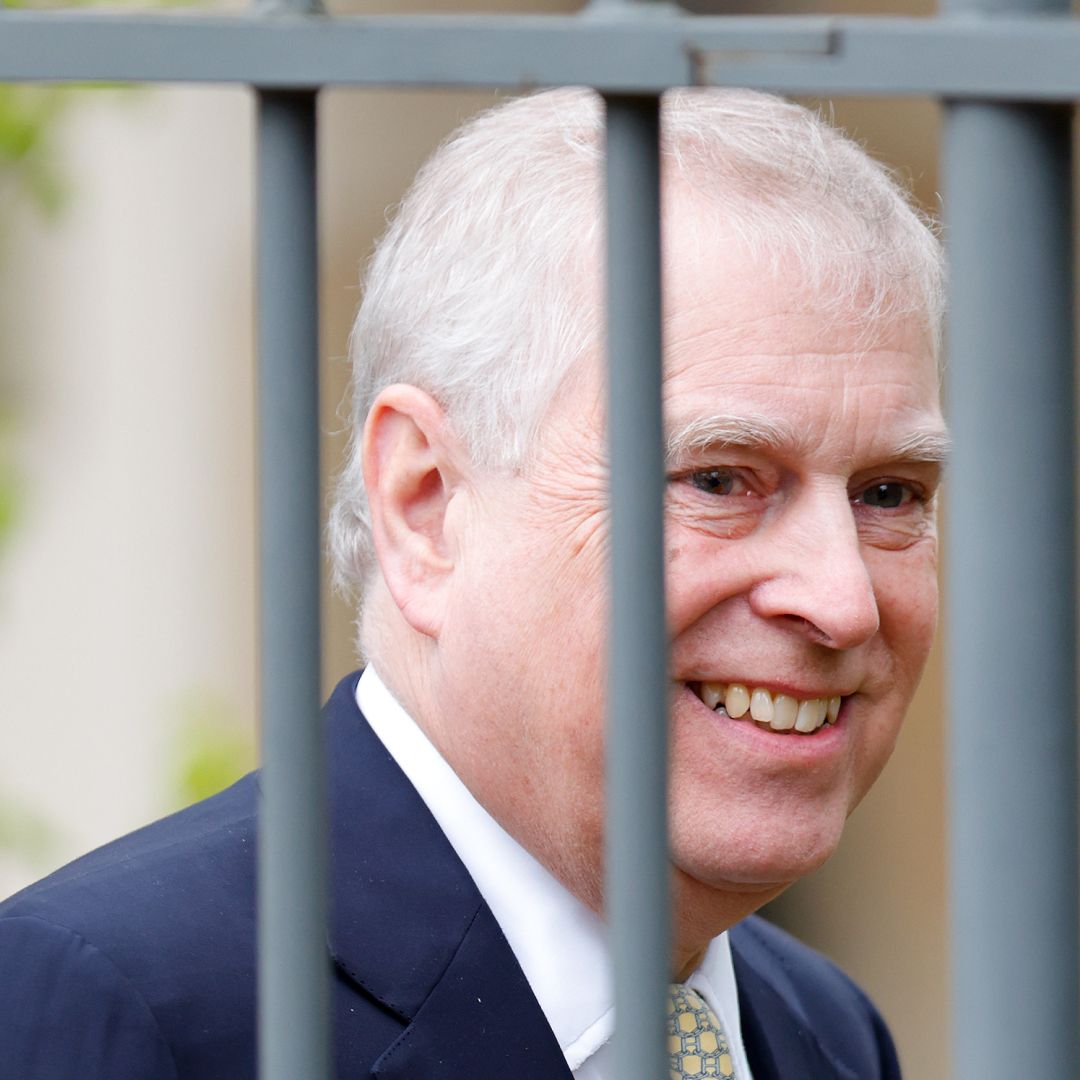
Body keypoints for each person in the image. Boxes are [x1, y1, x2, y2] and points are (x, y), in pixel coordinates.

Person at [0, 88, 947, 1079]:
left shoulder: (821, 1032)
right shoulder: (117, 1007)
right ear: (426, 503)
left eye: (890, 493)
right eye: (717, 479)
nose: (843, 599)